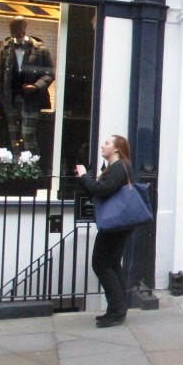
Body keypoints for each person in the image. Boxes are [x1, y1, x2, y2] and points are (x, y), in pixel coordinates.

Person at [75, 135, 135, 328]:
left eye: (107, 143)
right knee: (112, 264)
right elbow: (98, 191)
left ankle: (117, 311)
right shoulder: (116, 168)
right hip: (117, 224)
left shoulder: (120, 167)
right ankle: (116, 310)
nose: (102, 145)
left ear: (117, 149)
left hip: (114, 225)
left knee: (100, 264)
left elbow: (102, 190)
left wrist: (84, 176)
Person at [0, 16, 54, 152]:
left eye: (18, 27)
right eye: (13, 27)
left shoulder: (39, 49)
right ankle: (17, 167)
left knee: (28, 135)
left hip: (31, 99)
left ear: (24, 28)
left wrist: (36, 86)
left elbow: (49, 74)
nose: (15, 31)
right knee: (13, 136)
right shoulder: (5, 49)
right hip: (11, 98)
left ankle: (32, 165)